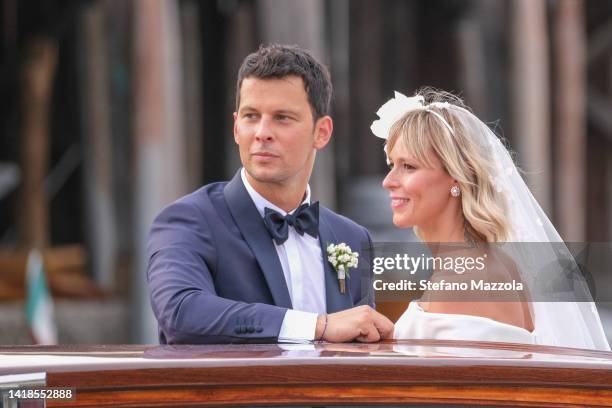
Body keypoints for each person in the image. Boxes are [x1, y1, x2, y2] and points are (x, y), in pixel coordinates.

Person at [147, 44, 394, 344]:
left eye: (282, 118)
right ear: (236, 128)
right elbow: (181, 313)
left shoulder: (353, 238)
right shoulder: (187, 221)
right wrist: (317, 326)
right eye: (251, 116)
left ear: (322, 132)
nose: (262, 132)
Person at [371, 88, 610, 350]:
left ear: (456, 177)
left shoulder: (457, 283)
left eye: (409, 166)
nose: (388, 181)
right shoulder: (499, 264)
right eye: (391, 164)